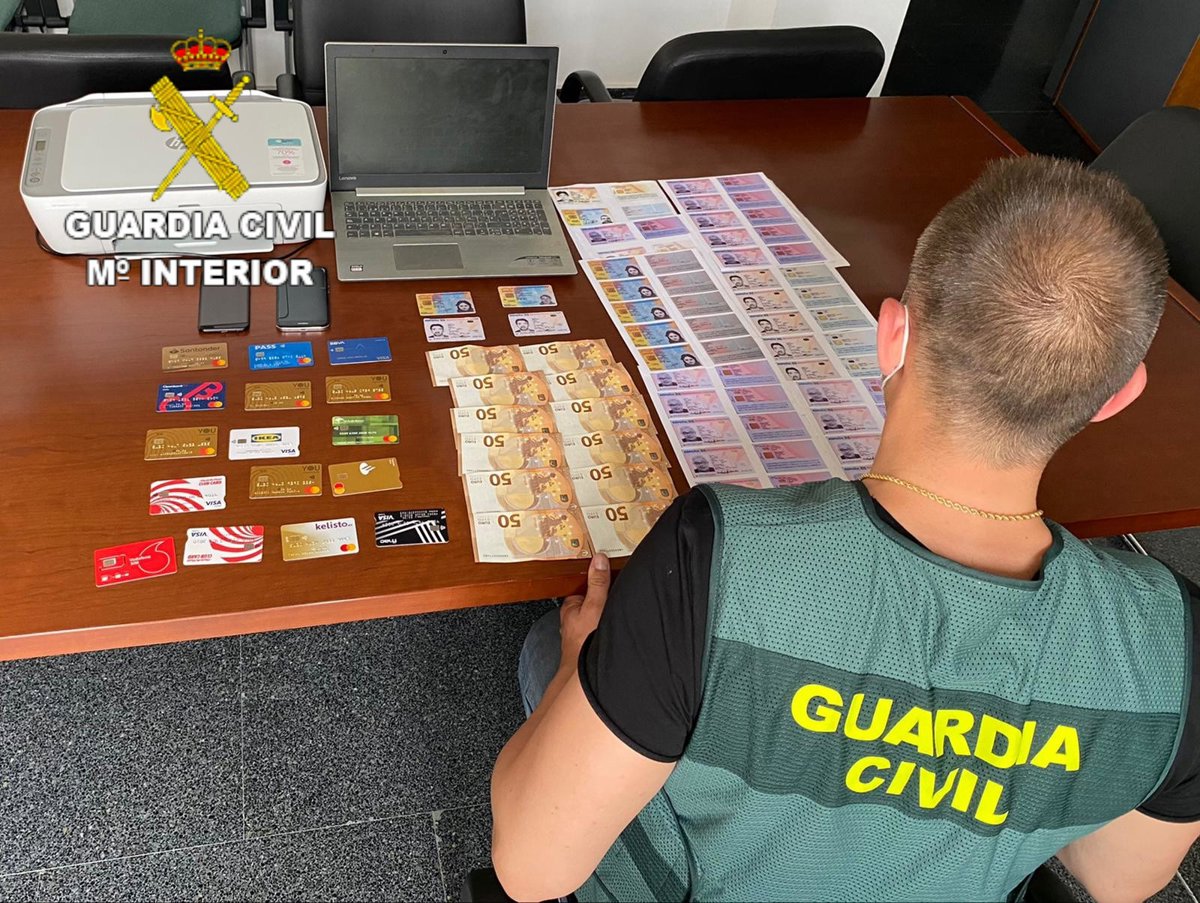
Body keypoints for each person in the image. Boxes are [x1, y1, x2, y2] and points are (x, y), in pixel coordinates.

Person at [489, 157, 1200, 902]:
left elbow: (531, 871)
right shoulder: (1176, 644)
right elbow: (1116, 879)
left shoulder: (713, 558)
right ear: (1118, 396)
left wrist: (580, 661)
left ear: (892, 335)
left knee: (551, 646)